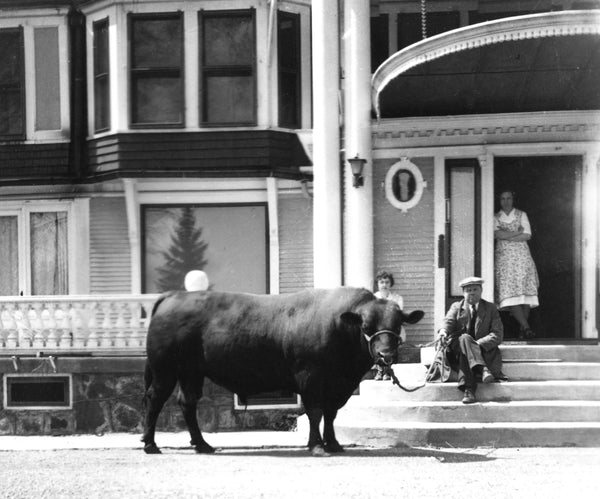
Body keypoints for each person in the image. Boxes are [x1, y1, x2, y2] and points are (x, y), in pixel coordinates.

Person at [437, 277, 506, 404]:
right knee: (464, 338)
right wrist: (443, 332)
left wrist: (475, 345)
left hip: (482, 350)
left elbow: (497, 334)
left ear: (481, 291)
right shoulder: (456, 307)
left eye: (475, 289)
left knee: (466, 340)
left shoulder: (490, 308)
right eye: (468, 290)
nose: (472, 293)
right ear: (463, 293)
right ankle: (482, 369)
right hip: (457, 351)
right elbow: (448, 321)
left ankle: (469, 390)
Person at [494, 190, 539, 339]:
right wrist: (516, 233)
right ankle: (526, 328)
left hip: (522, 257)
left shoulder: (521, 214)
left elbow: (527, 235)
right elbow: (497, 234)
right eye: (503, 198)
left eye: (508, 198)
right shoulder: (496, 217)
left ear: (513, 199)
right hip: (505, 259)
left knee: (524, 294)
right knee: (510, 293)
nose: (506, 201)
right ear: (499, 200)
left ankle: (524, 330)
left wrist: (506, 235)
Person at [372, 271, 404, 381]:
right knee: (376, 343)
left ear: (390, 284)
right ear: (378, 284)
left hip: (391, 328)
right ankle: (380, 370)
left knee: (392, 341)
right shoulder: (373, 298)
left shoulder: (397, 298)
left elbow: (397, 315)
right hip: (378, 328)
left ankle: (388, 371)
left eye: (387, 282)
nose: (384, 285)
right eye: (381, 282)